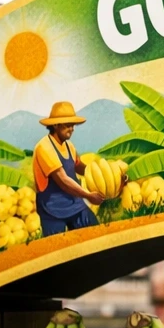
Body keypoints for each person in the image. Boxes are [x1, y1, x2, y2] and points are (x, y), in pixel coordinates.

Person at [32, 101, 104, 237]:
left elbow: (78, 167)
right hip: (52, 209)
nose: (72, 129)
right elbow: (63, 180)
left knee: (95, 234)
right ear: (55, 125)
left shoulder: (69, 146)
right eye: (67, 125)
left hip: (75, 204)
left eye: (73, 125)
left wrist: (102, 173)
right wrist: (88, 196)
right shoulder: (44, 147)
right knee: (57, 248)